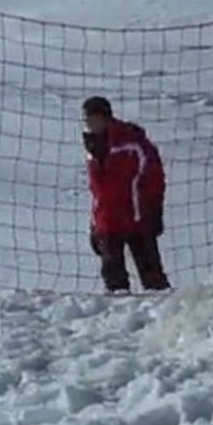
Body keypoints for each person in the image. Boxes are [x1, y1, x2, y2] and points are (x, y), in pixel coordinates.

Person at [82, 96, 171, 293]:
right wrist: (94, 226)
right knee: (115, 285)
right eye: (88, 120)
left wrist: (154, 210)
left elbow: (154, 178)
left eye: (95, 119)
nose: (91, 124)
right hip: (107, 224)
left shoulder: (132, 143)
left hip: (136, 221)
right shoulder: (91, 149)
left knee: (154, 280)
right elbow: (98, 194)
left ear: (107, 118)